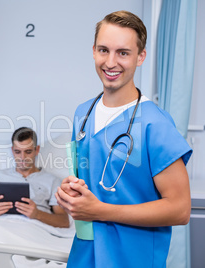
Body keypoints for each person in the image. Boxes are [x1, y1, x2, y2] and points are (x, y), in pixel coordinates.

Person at [55, 10, 192, 268]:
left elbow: (180, 209)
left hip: (133, 259)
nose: (111, 62)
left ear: (141, 57)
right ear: (94, 51)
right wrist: (69, 194)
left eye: (123, 53)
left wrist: (100, 210)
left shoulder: (156, 124)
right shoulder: (82, 114)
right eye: (104, 50)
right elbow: (91, 183)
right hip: (85, 255)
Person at [0, 127, 69, 228]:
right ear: (12, 150)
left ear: (37, 150)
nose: (22, 158)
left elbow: (64, 222)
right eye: (18, 152)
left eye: (28, 152)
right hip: (2, 227)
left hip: (35, 228)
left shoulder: (52, 181)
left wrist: (37, 214)